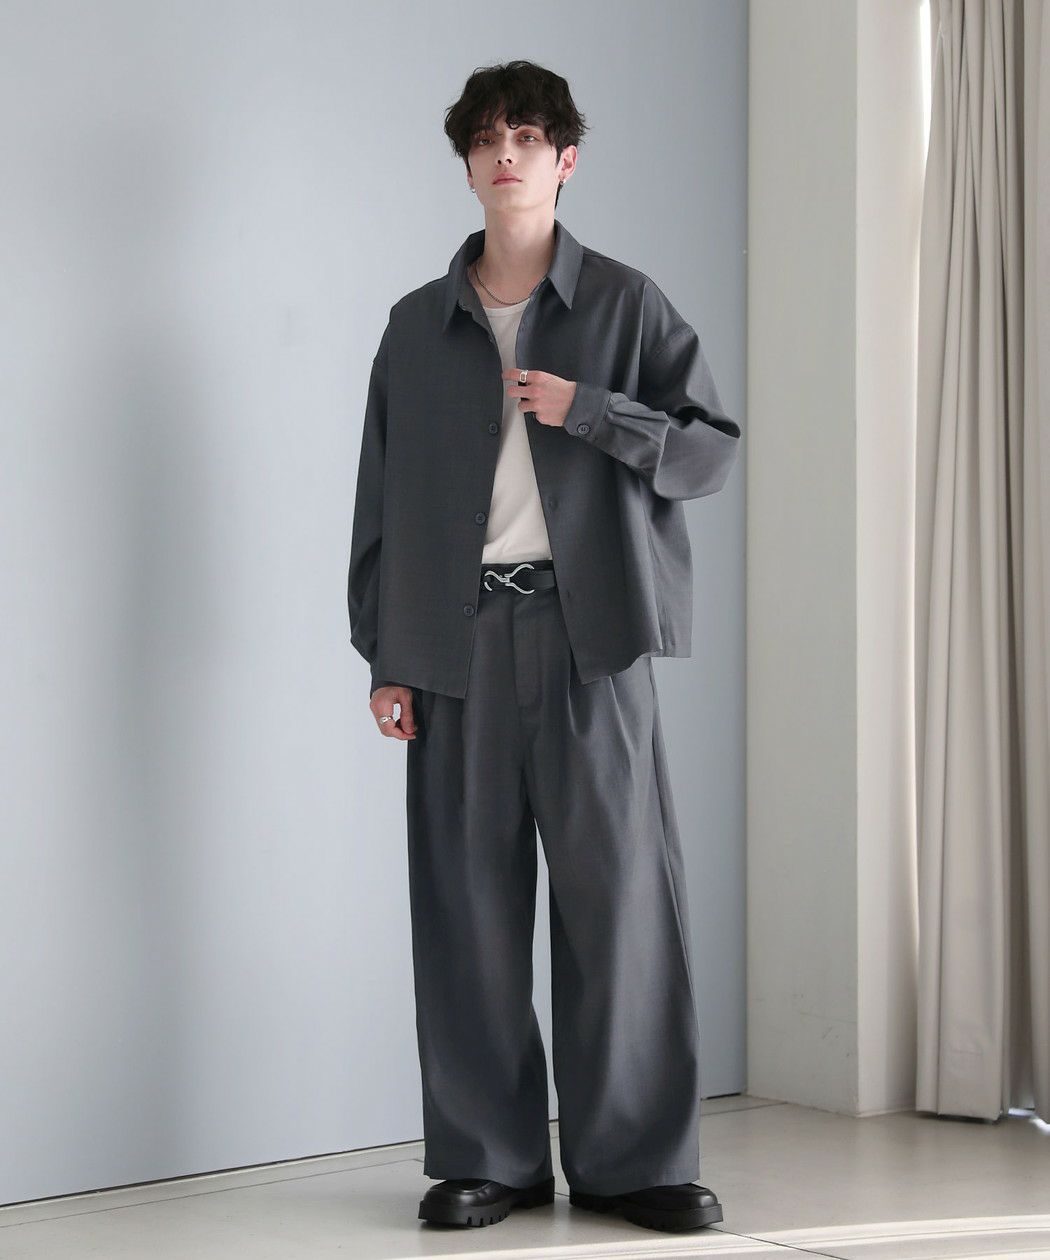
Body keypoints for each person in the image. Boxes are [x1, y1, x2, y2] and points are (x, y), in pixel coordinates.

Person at [347, 59, 740, 1235]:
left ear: (566, 159)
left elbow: (710, 451)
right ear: (468, 163)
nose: (505, 152)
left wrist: (594, 411)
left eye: (527, 134)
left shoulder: (625, 304)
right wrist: (387, 654)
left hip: (591, 640)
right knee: (465, 906)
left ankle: (634, 1163)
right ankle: (490, 1159)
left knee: (621, 905)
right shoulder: (415, 329)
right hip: (454, 642)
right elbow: (381, 503)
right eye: (486, 137)